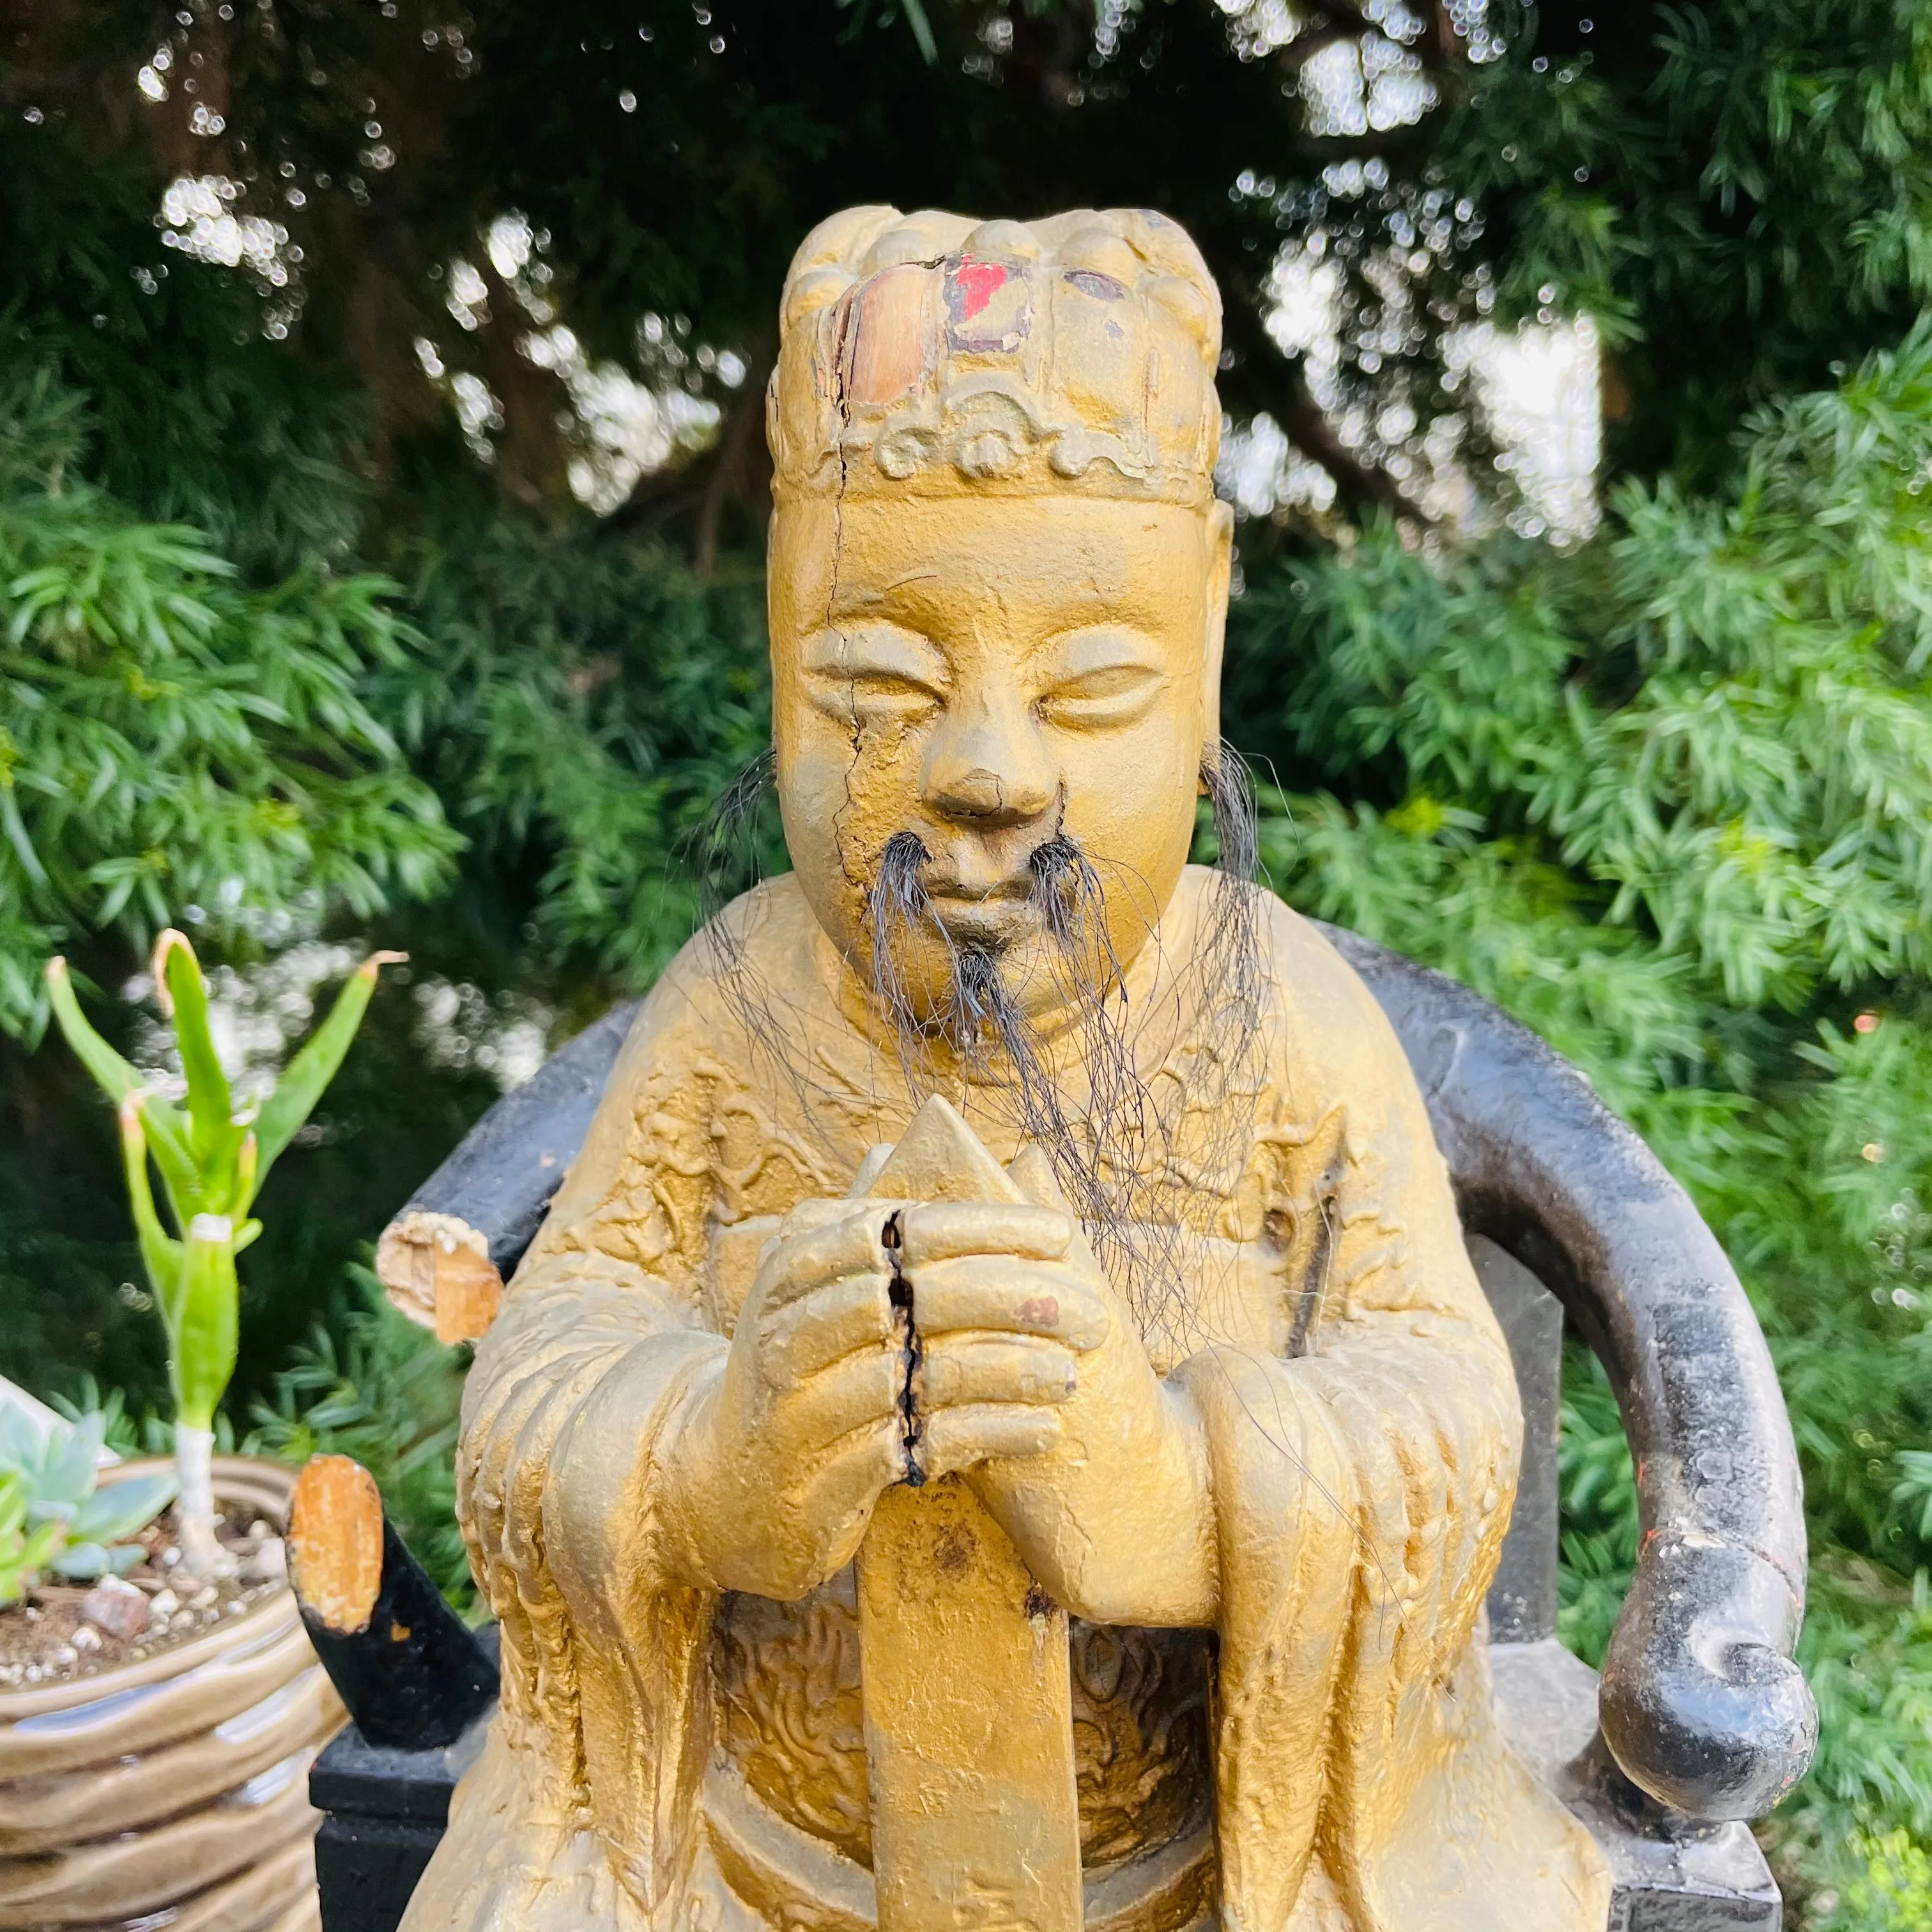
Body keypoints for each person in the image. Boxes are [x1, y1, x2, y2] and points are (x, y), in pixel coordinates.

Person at [404, 204, 1608, 1932]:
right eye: (880, 680)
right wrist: (707, 1460)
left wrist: (1181, 1494)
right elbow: (545, 1377)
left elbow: (1439, 1402)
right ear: (780, 650)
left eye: (1096, 690)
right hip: (766, 1870)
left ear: (1202, 650)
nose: (985, 773)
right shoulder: (737, 1004)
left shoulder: (1285, 1019)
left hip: (1207, 1875)